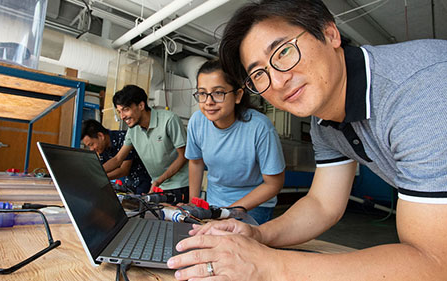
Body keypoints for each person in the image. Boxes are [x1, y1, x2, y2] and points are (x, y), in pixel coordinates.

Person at [167, 0, 447, 280]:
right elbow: (323, 204)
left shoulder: (422, 90)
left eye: (284, 51)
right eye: (259, 74)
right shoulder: (323, 118)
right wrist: (257, 234)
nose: (276, 82)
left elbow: (435, 262)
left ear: (330, 33)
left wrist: (268, 265)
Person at [186, 59, 285, 224]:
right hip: (214, 203)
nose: (209, 102)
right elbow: (196, 163)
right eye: (202, 93)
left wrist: (230, 212)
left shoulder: (260, 127)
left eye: (218, 93)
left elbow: (274, 184)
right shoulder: (197, 121)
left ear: (238, 95)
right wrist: (194, 204)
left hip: (253, 206)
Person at [103, 85, 190, 203]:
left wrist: (159, 180)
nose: (122, 116)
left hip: (179, 185)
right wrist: (96, 173)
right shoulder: (132, 130)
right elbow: (118, 159)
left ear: (141, 105)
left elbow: (183, 156)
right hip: (157, 186)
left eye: (126, 109)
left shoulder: (169, 120)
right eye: (119, 112)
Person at [81, 119, 152, 194]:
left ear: (100, 136)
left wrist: (99, 176)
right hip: (129, 185)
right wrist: (93, 174)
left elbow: (123, 170)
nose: (91, 149)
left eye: (91, 144)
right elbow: (105, 168)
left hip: (145, 183)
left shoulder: (124, 138)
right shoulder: (102, 148)